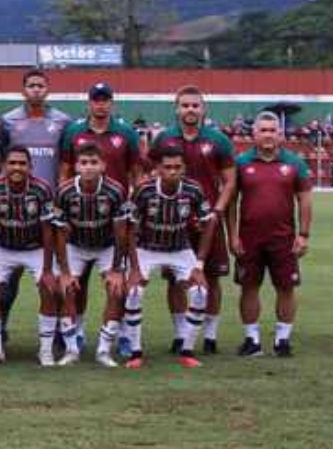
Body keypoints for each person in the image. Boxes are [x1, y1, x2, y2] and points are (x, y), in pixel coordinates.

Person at [152, 86, 237, 354]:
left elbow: (230, 181)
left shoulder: (218, 140)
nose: (190, 110)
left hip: (208, 221)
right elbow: (153, 175)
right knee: (175, 280)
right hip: (172, 222)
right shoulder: (164, 139)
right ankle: (180, 335)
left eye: (195, 105)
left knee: (211, 277)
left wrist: (217, 212)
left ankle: (210, 337)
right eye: (185, 105)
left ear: (203, 109)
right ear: (177, 109)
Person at [228, 112, 313, 357]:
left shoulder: (294, 163)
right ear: (254, 134)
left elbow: (305, 199)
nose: (268, 135)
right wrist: (233, 236)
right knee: (248, 287)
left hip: (283, 239)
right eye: (263, 130)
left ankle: (282, 340)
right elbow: (232, 202)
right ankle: (252, 341)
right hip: (249, 238)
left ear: (280, 134)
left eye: (272, 130)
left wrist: (304, 234)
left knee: (286, 288)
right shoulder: (242, 163)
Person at [123, 144, 215, 369]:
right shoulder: (144, 190)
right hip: (147, 249)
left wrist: (199, 264)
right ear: (158, 169)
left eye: (177, 167)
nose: (172, 171)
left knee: (201, 291)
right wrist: (134, 268)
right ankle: (135, 352)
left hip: (180, 249)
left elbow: (209, 222)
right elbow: (130, 229)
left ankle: (187, 350)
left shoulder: (194, 189)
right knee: (133, 291)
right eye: (167, 167)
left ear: (184, 168)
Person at [0, 69, 71, 340]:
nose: (36, 89)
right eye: (31, 85)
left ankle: (61, 333)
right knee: (8, 279)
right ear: (23, 90)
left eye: (41, 85)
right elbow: (1, 164)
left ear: (47, 90)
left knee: (56, 275)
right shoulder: (8, 121)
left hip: (51, 211)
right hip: (15, 212)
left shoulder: (62, 121)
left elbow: (67, 163)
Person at [52, 143, 131, 367]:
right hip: (76, 245)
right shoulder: (64, 191)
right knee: (65, 288)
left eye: (94, 163)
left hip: (106, 246)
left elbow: (121, 232)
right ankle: (71, 350)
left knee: (116, 290)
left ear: (103, 166)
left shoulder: (115, 190)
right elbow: (59, 233)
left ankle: (104, 350)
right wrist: (65, 272)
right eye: (84, 163)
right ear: (76, 166)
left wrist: (116, 270)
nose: (88, 168)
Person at [0, 146, 58, 367]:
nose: (17, 167)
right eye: (12, 163)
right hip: (4, 247)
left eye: (22, 164)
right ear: (4, 166)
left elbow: (48, 230)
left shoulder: (42, 189)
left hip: (35, 248)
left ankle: (45, 351)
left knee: (49, 289)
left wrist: (48, 269)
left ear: (30, 167)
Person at [59, 83, 142, 190]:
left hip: (117, 200)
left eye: (105, 100)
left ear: (112, 103)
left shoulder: (127, 133)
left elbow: (136, 172)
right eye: (96, 100)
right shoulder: (73, 132)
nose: (100, 105)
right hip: (79, 200)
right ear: (89, 103)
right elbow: (65, 171)